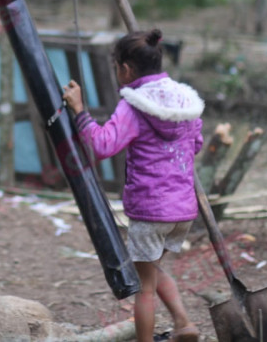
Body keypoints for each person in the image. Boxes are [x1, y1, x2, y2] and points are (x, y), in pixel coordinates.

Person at [62, 29, 203, 342]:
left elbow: (102, 145)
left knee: (144, 287)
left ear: (125, 68)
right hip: (182, 211)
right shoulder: (185, 100)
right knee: (150, 269)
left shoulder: (133, 106)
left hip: (151, 211)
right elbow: (197, 143)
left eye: (116, 67)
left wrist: (79, 110)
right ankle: (183, 324)